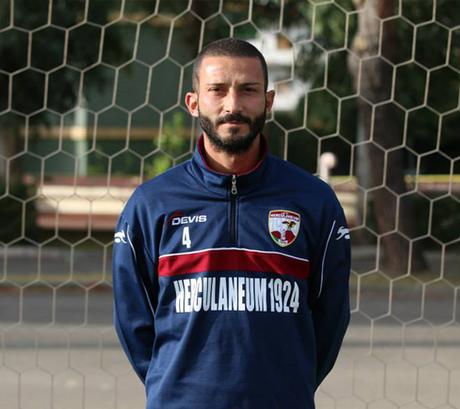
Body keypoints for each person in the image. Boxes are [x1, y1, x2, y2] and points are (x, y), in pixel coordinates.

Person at [112, 38, 350, 409]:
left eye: (248, 90)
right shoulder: (152, 205)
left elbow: (330, 318)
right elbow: (134, 322)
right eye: (217, 90)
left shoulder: (313, 202)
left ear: (268, 101)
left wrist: (286, 385)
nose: (233, 105)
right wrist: (177, 387)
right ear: (194, 103)